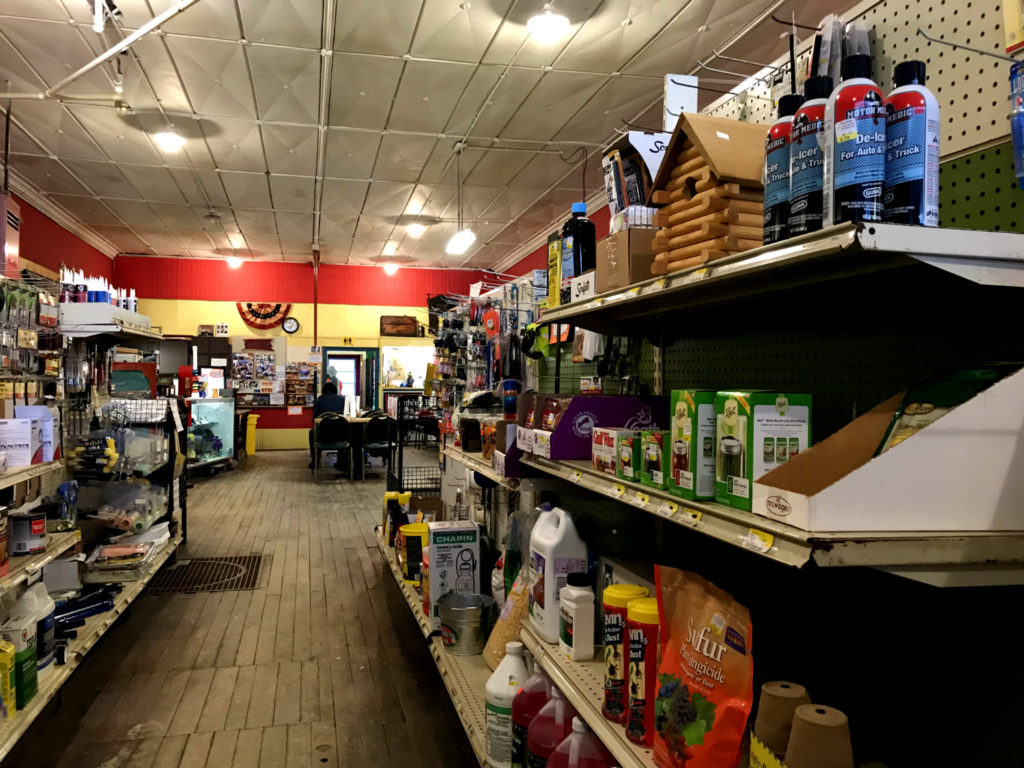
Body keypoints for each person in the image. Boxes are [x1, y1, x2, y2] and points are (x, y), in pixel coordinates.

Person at [309, 382, 346, 468]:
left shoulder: (319, 400)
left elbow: (314, 418)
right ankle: (342, 462)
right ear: (335, 390)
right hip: (340, 435)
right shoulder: (341, 399)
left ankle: (315, 460)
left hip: (323, 434)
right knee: (346, 432)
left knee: (311, 433)